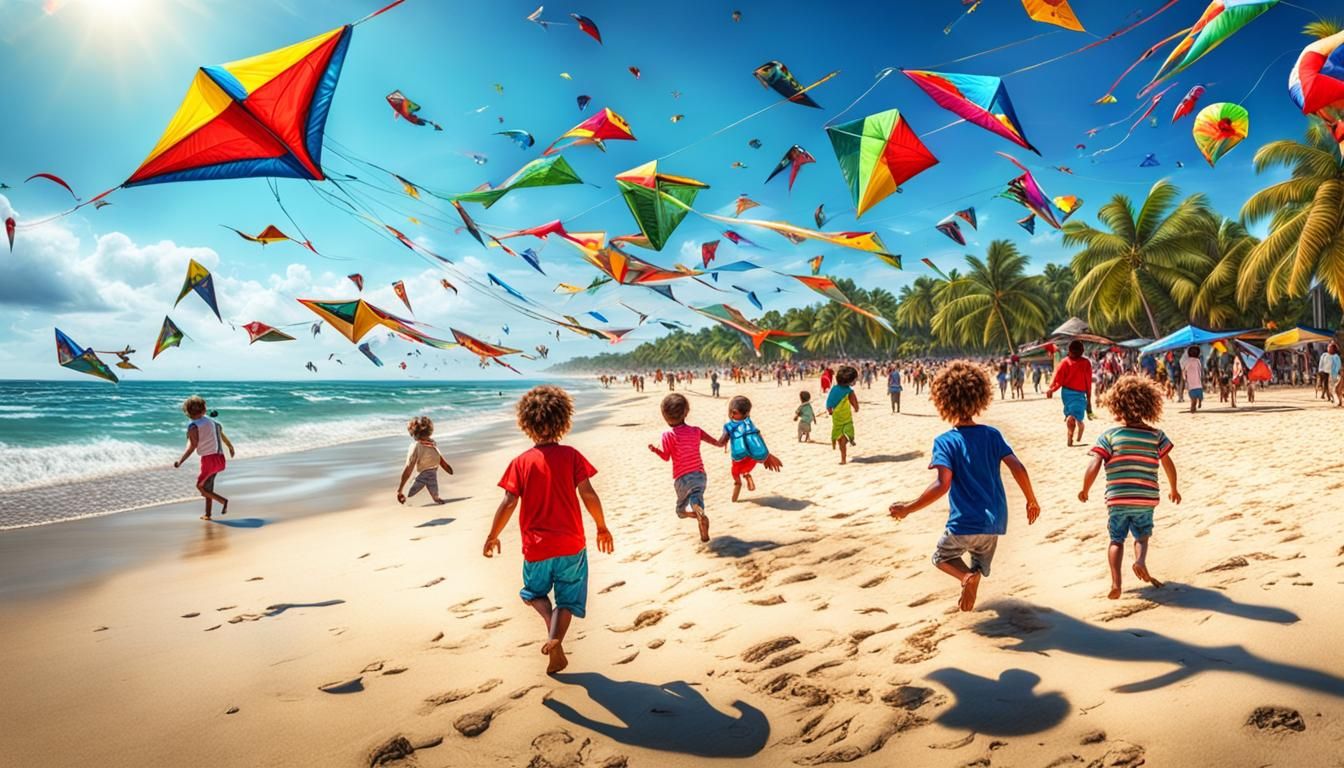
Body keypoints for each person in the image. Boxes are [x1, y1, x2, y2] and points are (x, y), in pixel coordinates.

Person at [888, 361, 1041, 612]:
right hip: (994, 523)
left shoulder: (946, 441)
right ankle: (973, 576)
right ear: (980, 398)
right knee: (979, 562)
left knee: (943, 557)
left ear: (943, 402)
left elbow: (942, 484)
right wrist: (1031, 500)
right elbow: (1018, 468)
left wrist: (908, 508)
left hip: (964, 522)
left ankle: (965, 577)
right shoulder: (992, 434)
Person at [483, 386, 614, 675]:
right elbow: (588, 494)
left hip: (537, 547)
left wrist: (493, 535)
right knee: (567, 600)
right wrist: (601, 527)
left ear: (526, 424)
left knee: (532, 593)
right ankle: (555, 637)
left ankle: (549, 625)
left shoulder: (520, 462)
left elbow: (508, 502)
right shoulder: (572, 456)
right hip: (571, 545)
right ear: (563, 420)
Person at [1077, 375, 1180, 599]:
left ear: (1116, 406)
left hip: (1118, 499)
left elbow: (1094, 463)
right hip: (1146, 498)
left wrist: (1085, 489)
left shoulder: (1109, 436)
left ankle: (1116, 583)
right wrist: (1173, 488)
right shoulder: (1156, 436)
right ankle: (1140, 560)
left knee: (1116, 540)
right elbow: (1168, 464)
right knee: (1142, 537)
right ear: (1149, 405)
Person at [648, 393, 720, 542]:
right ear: (686, 412)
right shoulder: (696, 431)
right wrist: (725, 439)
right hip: (700, 475)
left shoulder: (668, 435)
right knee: (696, 496)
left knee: (680, 510)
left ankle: (693, 513)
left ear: (664, 416)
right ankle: (698, 511)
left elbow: (666, 457)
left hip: (682, 478)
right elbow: (716, 442)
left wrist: (656, 450)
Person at [173, 395, 235, 521]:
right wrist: (230, 446)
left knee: (200, 487)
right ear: (204, 409)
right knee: (208, 487)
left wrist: (180, 461)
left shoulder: (193, 426)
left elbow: (192, 447)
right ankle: (208, 514)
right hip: (220, 459)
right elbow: (221, 434)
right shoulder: (213, 423)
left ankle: (223, 501)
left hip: (209, 461)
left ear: (187, 412)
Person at [720, 395, 783, 502]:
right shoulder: (749, 423)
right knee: (746, 469)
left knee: (735, 472)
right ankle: (746, 475)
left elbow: (722, 441)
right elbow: (758, 437)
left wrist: (718, 440)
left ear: (734, 412)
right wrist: (766, 455)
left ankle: (738, 483)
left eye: (732, 412)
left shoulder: (729, 426)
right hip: (752, 457)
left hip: (738, 457)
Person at [396, 416, 455, 504]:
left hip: (427, 474)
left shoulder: (425, 444)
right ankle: (433, 498)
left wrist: (400, 489)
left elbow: (409, 468)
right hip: (427, 473)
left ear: (413, 433)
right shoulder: (424, 445)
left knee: (415, 492)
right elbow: (439, 458)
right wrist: (446, 467)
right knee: (420, 490)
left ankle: (433, 498)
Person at [1045, 340, 1093, 446]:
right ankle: (1075, 431)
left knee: (1071, 415)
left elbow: (1058, 380)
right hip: (1080, 394)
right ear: (1082, 351)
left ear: (1069, 351)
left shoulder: (1065, 362)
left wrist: (1051, 389)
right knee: (1077, 416)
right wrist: (1089, 400)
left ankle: (1070, 434)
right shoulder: (1086, 363)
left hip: (1067, 394)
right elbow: (1088, 382)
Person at [827, 365, 860, 464]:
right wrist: (856, 408)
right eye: (854, 379)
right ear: (849, 381)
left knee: (839, 437)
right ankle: (849, 439)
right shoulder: (849, 391)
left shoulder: (834, 389)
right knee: (848, 431)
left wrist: (830, 411)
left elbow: (829, 402)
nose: (855, 381)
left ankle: (843, 459)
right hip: (846, 418)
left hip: (837, 418)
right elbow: (855, 404)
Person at [1180, 345, 1204, 414]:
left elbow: (1184, 371)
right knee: (1197, 398)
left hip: (1191, 384)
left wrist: (1184, 378)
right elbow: (1200, 371)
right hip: (1198, 383)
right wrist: (1202, 378)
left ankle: (1193, 410)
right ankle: (1194, 408)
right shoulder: (1197, 361)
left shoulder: (1188, 361)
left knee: (1193, 400)